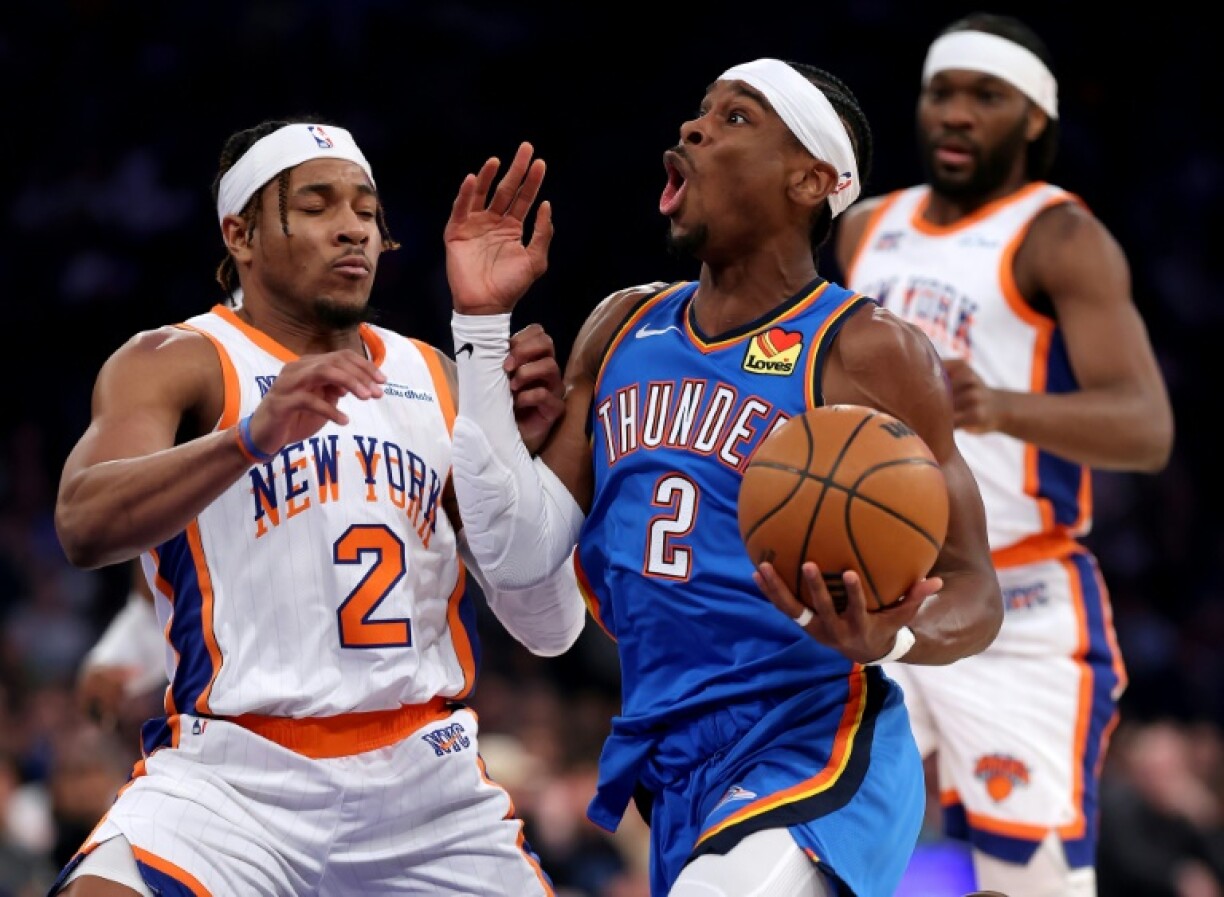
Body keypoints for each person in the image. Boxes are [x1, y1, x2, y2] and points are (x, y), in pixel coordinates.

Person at [442, 60, 1005, 896]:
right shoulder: (619, 325)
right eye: (700, 111)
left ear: (812, 180)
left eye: (736, 118)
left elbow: (974, 591)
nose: (695, 129)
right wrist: (483, 336)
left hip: (813, 741)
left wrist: (891, 635)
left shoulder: (867, 349)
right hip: (669, 759)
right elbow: (525, 571)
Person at [48, 116, 586, 896]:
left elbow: (545, 624)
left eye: (367, 211)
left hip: (424, 780)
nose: (353, 231)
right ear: (241, 233)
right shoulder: (180, 360)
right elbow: (82, 522)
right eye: (318, 206)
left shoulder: (434, 372)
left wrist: (514, 461)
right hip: (234, 777)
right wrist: (249, 438)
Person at [833, 13, 1175, 896]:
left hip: (1018, 602)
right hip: (877, 593)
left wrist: (999, 405)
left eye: (986, 97)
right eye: (941, 92)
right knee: (802, 845)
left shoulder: (1060, 237)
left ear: (1033, 119)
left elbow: (1147, 426)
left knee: (1034, 882)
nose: (955, 114)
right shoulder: (868, 228)